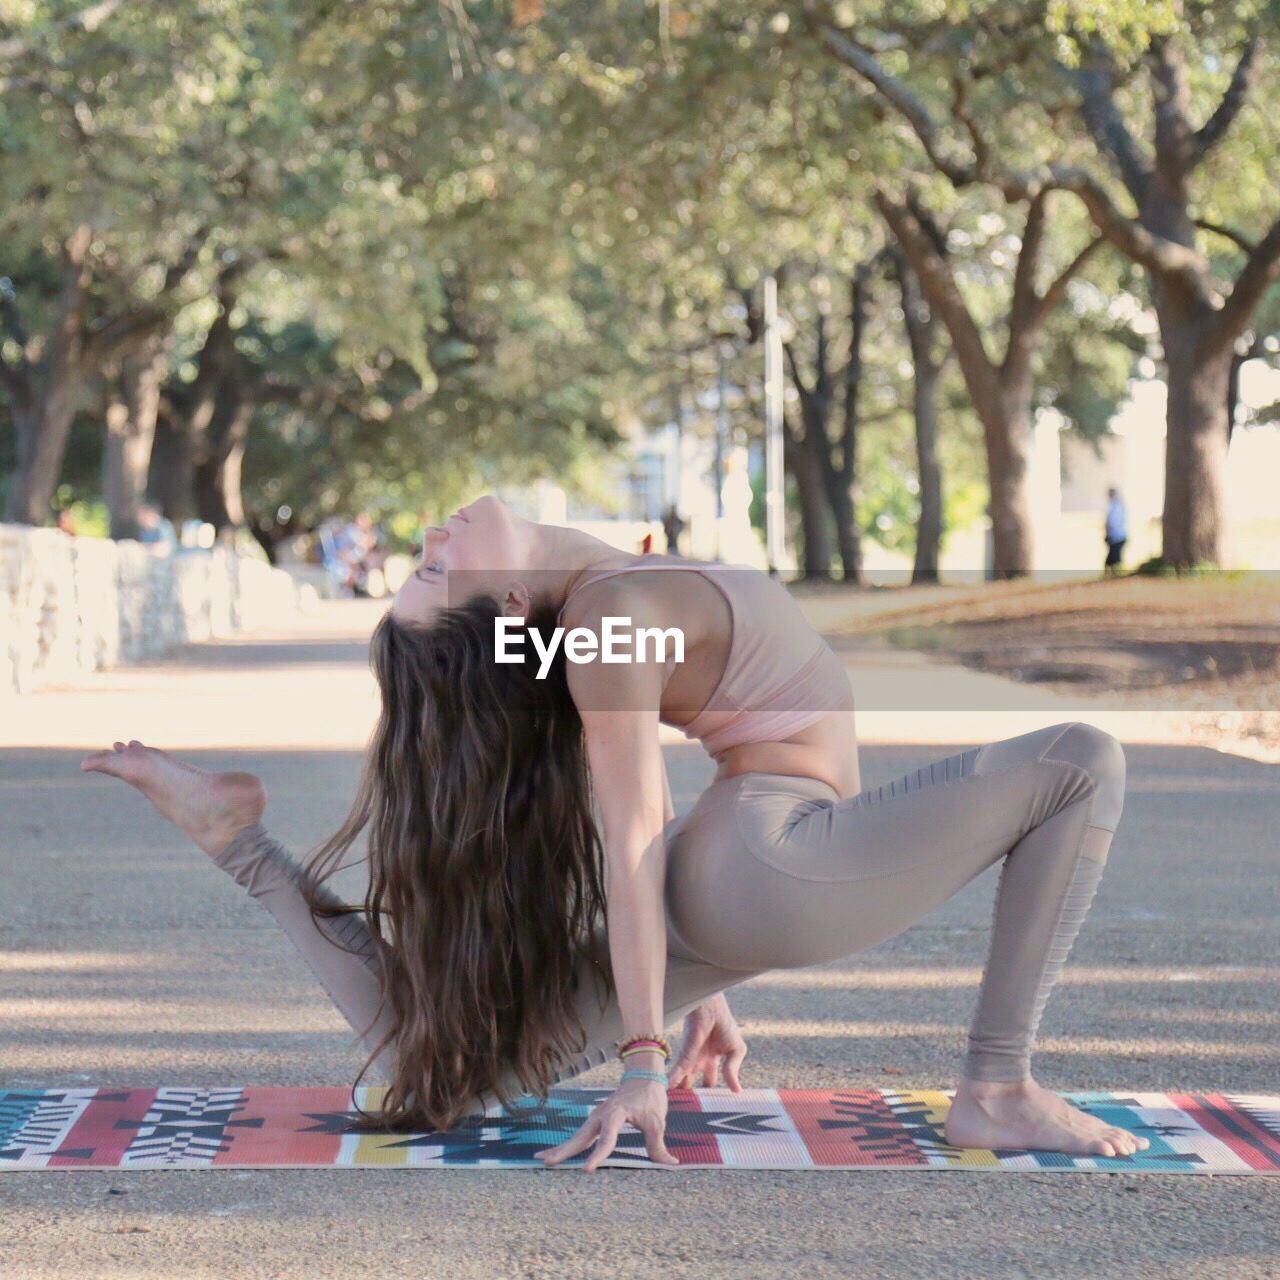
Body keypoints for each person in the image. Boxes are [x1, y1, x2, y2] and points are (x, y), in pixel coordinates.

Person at [81, 494, 1150, 1171]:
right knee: (1078, 762)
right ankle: (998, 1087)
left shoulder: (601, 604)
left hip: (740, 865)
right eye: (426, 573)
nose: (425, 536)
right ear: (503, 598)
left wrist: (706, 973)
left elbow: (664, 826)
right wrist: (644, 1049)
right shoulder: (608, 615)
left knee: (424, 1075)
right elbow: (633, 832)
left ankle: (238, 844)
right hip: (773, 858)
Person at [1104, 487, 1127, 576]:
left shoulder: (1115, 505)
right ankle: (1113, 573)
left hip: (1116, 535)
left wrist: (1108, 530)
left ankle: (1114, 573)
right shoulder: (1118, 504)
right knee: (1113, 556)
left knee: (1113, 556)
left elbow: (1112, 521)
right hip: (1117, 534)